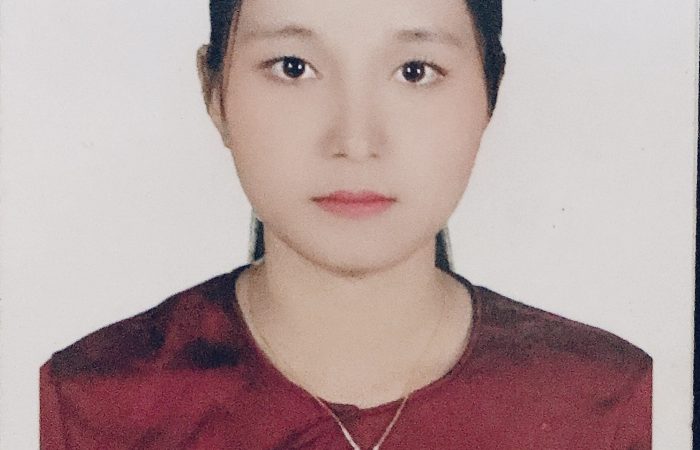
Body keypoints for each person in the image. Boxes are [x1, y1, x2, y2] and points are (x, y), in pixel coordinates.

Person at [40, 0, 652, 448]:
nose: (355, 141)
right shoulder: (84, 405)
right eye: (293, 67)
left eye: (415, 70)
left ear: (491, 93)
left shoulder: (613, 400)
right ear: (214, 92)